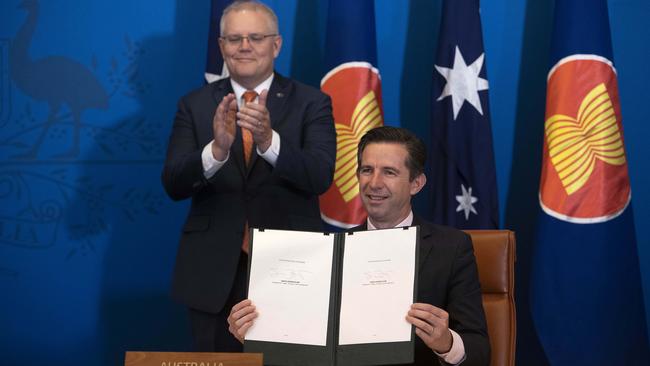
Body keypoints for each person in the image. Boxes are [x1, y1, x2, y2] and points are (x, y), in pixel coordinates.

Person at [227, 126, 489, 365]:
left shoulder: (452, 247)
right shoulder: (326, 250)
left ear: (416, 183)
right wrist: (256, 334)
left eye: (389, 172)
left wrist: (446, 343)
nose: (374, 183)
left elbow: (479, 350)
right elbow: (303, 349)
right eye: (367, 170)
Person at [161, 0, 336, 352]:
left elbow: (319, 176)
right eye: (234, 38)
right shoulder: (193, 104)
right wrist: (217, 151)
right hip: (212, 274)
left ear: (276, 44)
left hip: (291, 269)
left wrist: (269, 142)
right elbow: (174, 183)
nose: (244, 47)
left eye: (255, 37)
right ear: (221, 45)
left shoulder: (312, 102)